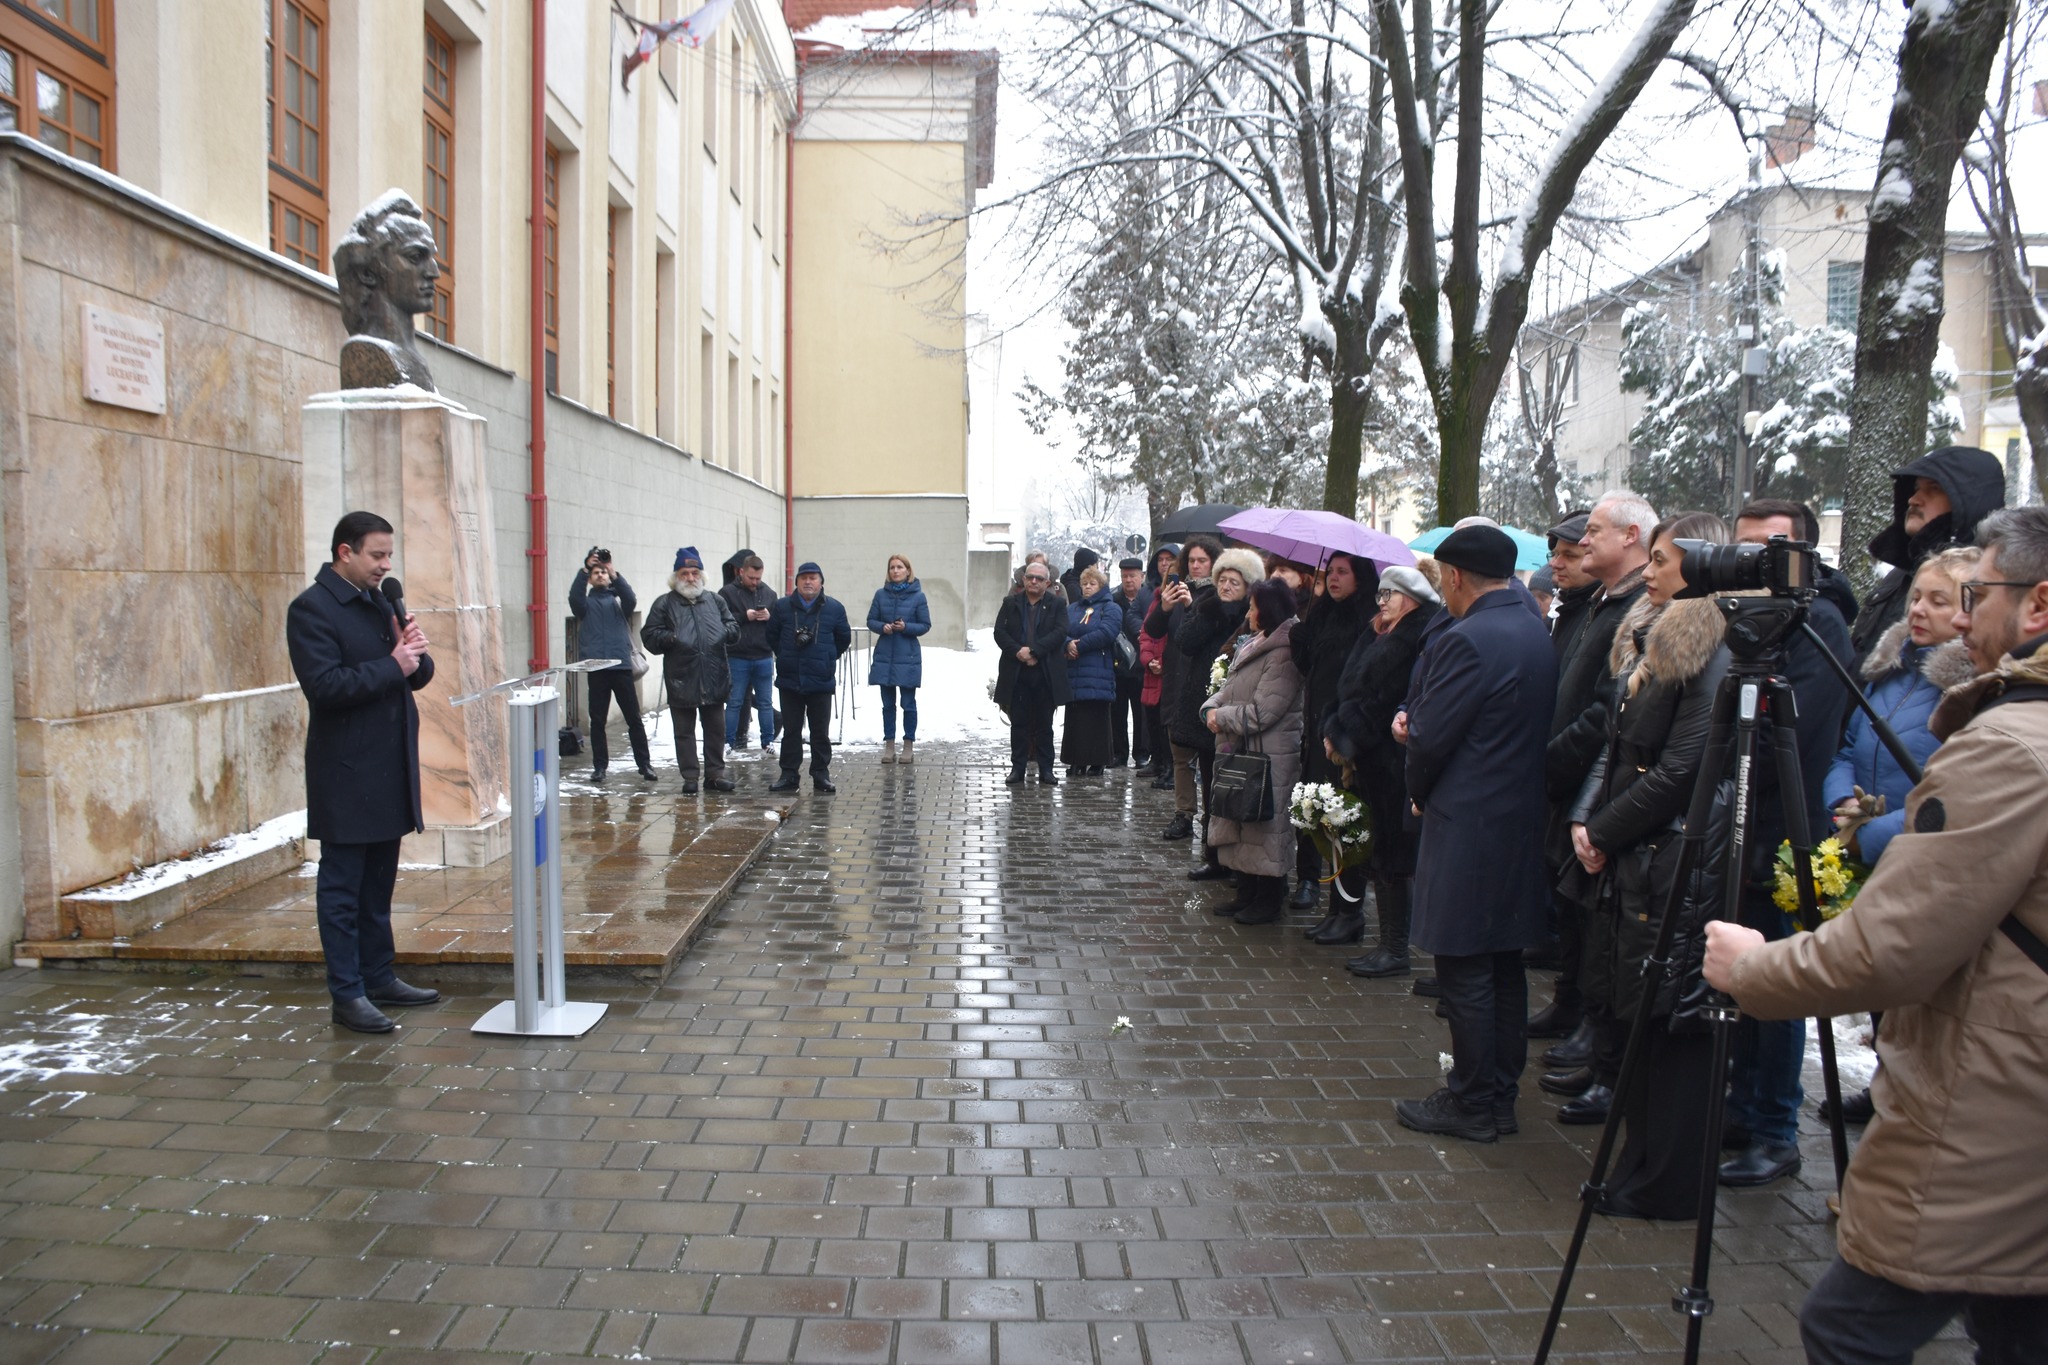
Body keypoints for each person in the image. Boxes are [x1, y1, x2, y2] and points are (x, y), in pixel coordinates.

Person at [1702, 505, 2048, 1365]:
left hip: (1997, 1097)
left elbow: (1891, 946)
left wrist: (1754, 967)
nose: (1962, 615)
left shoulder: (2012, 743)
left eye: (1977, 593)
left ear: (2038, 604)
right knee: (2016, 1324)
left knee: (1849, 1328)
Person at [1557, 513, 1734, 1212]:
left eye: (1662, 560)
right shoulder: (1655, 639)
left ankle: (1665, 1180)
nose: (1651, 572)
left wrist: (1602, 826)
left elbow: (1685, 765)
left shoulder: (1708, 649)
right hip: (1638, 853)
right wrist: (1588, 818)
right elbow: (1619, 741)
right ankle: (1639, 1164)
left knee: (1671, 1021)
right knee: (1639, 1014)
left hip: (1674, 856)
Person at [1394, 525, 1559, 1143]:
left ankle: (1471, 1101)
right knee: (1502, 965)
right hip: (1517, 820)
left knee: (1464, 966)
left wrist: (1414, 764)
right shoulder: (1531, 630)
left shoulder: (1469, 639)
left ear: (1456, 578)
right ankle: (1497, 1097)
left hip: (1468, 823)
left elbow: (1433, 736)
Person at [1715, 499, 1857, 1187]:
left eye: (1768, 549)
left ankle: (1776, 1125)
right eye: (1744, 548)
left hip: (1795, 833)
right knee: (1745, 977)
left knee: (1783, 979)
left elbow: (1796, 741)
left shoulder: (1818, 623)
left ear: (1804, 554)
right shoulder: (1751, 623)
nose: (1754, 563)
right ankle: (1742, 1105)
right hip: (1749, 822)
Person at [1817, 545, 1978, 1126]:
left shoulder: (1969, 690)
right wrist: (1840, 803)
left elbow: (1953, 787)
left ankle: (1905, 1102)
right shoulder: (1889, 676)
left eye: (1940, 600)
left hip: (1912, 852)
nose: (1920, 610)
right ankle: (1885, 1082)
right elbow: (1847, 745)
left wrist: (1871, 833)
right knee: (1881, 985)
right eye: (1916, 597)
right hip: (1861, 840)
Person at [285, 511, 441, 1035]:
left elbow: (414, 677)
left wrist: (414, 654)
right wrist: (391, 664)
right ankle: (347, 993)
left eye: (388, 555)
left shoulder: (380, 602)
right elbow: (325, 687)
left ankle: (379, 976)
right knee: (343, 890)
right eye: (376, 554)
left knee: (378, 887)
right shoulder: (312, 610)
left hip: (389, 767)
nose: (385, 565)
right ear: (344, 552)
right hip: (346, 773)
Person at [1537, 495, 1655, 1086]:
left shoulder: (1636, 608)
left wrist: (1552, 763)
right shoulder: (1599, 603)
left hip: (1592, 778)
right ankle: (1571, 1002)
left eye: (1592, 532)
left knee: (1592, 907)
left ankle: (1592, 1024)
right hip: (1569, 775)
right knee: (1571, 903)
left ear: (1631, 536)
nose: (1581, 544)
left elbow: (1607, 708)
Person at [1325, 565, 1440, 977]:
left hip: (1391, 761)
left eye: (1390, 595)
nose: (1383, 602)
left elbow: (1384, 698)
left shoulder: (1417, 634)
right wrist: (1334, 728)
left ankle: (1395, 947)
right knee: (1382, 852)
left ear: (1411, 599)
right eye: (1381, 594)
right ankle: (1386, 944)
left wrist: (1346, 736)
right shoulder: (1376, 631)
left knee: (1395, 855)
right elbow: (1348, 688)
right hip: (1371, 759)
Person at [1201, 579, 1305, 925]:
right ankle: (1246, 893)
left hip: (1270, 753)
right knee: (1240, 820)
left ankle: (1268, 900)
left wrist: (1222, 716)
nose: (1248, 612)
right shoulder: (1256, 642)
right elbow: (1232, 689)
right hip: (1242, 747)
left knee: (1265, 827)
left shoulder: (1285, 650)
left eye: (1254, 606)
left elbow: (1264, 712)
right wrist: (1210, 708)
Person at [1849, 446, 2005, 667]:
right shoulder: (1900, 573)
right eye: (1915, 488)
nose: (1913, 499)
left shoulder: (1988, 581)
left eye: (1934, 489)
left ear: (1968, 501)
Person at [1291, 552, 1378, 934]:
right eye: (1331, 572)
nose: (1335, 579)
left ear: (1360, 578)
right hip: (1316, 726)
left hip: (1345, 733)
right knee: (1313, 810)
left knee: (1344, 820)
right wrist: (1301, 636)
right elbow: (1308, 665)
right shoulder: (1322, 611)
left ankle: (1347, 909)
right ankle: (1316, 888)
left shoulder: (1368, 620)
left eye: (1343, 572)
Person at [1166, 547, 1259, 879]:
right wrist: (1209, 613)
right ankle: (1213, 855)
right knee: (1209, 784)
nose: (1227, 587)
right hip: (1204, 708)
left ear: (1248, 585)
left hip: (1239, 710)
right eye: (1223, 580)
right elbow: (1184, 641)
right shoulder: (1207, 607)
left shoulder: (1254, 615)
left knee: (1235, 788)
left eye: (1234, 581)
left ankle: (1237, 861)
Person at [641, 547, 739, 795]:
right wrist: (671, 637)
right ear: (676, 577)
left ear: (701, 575)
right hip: (682, 677)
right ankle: (690, 776)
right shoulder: (664, 604)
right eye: (685, 573)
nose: (691, 578)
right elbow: (649, 636)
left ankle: (715, 775)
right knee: (684, 732)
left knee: (716, 730)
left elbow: (733, 627)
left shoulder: (715, 601)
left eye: (695, 572)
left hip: (713, 674)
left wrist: (724, 632)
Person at [1145, 536, 1223, 835]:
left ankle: (1211, 819)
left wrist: (1191, 608)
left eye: (1202, 560)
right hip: (1176, 679)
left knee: (1207, 757)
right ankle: (1183, 814)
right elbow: (1152, 630)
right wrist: (1164, 608)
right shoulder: (1176, 590)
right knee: (1179, 753)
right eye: (1191, 560)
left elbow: (1202, 636)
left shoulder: (1218, 596)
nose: (1196, 566)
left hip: (1204, 683)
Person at [764, 562, 850, 792]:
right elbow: (771, 636)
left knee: (819, 731)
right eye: (804, 578)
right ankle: (789, 775)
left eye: (813, 577)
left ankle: (821, 774)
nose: (808, 582)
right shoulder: (782, 608)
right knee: (791, 730)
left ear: (821, 581)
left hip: (820, 680)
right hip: (790, 679)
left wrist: (828, 656)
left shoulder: (834, 608)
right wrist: (784, 655)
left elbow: (843, 639)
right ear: (797, 582)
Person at [569, 549, 654, 782]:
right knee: (598, 721)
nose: (600, 575)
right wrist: (584, 569)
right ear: (590, 578)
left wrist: (614, 572)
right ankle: (600, 767)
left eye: (603, 572)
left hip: (621, 666)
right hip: (597, 668)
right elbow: (574, 599)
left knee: (634, 718)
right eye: (596, 572)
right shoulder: (585, 605)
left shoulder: (619, 601)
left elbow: (631, 599)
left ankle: (645, 765)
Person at [994, 560, 1071, 785]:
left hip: (1045, 671)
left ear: (1047, 582)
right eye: (1030, 577)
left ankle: (1046, 769)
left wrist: (1035, 651)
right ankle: (1017, 768)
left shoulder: (1056, 604)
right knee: (1019, 724)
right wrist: (1018, 651)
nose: (1034, 582)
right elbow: (1000, 632)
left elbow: (1060, 632)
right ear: (1024, 579)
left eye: (1039, 578)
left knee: (1044, 724)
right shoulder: (1010, 603)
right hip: (1017, 671)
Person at [867, 554, 930, 765]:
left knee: (908, 704)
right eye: (892, 567)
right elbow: (871, 620)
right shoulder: (880, 594)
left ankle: (908, 745)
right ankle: (889, 744)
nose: (895, 571)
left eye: (900, 567)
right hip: (885, 655)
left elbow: (925, 625)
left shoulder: (918, 597)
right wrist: (882, 627)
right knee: (887, 705)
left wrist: (906, 628)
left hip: (908, 656)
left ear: (908, 571)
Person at [1060, 564, 1123, 776]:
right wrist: (1067, 643)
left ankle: (1097, 760)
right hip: (1074, 668)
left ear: (1101, 586)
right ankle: (1076, 760)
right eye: (1084, 584)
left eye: (1092, 584)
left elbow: (1107, 632)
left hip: (1099, 669)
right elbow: (1061, 630)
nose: (1087, 587)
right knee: (1075, 718)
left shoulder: (1110, 608)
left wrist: (1079, 645)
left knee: (1096, 717)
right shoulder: (1073, 608)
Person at [721, 549, 774, 750]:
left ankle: (767, 741)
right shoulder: (727, 593)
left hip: (763, 655)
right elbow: (721, 621)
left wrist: (770, 617)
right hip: (738, 655)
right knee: (734, 702)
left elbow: (778, 624)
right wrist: (745, 616)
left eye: (758, 578)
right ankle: (729, 742)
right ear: (741, 572)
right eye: (751, 577)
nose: (755, 582)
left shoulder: (769, 593)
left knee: (765, 703)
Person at [1111, 557, 1152, 769]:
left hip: (1142, 665)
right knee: (1117, 712)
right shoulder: (1114, 599)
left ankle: (1142, 753)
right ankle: (1119, 753)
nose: (1128, 580)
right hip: (1118, 665)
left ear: (1142, 577)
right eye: (1125, 576)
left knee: (1141, 713)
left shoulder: (1148, 599)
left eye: (1132, 576)